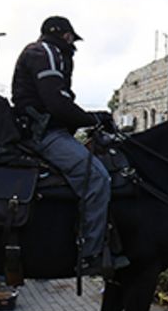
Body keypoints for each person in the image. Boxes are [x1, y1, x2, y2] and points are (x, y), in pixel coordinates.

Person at [11, 16, 119, 276]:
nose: (73, 44)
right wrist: (92, 119)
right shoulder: (46, 52)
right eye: (72, 38)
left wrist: (90, 117)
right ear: (66, 36)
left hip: (46, 127)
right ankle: (90, 254)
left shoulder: (45, 53)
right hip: (43, 133)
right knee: (96, 178)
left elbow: (60, 103)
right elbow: (56, 103)